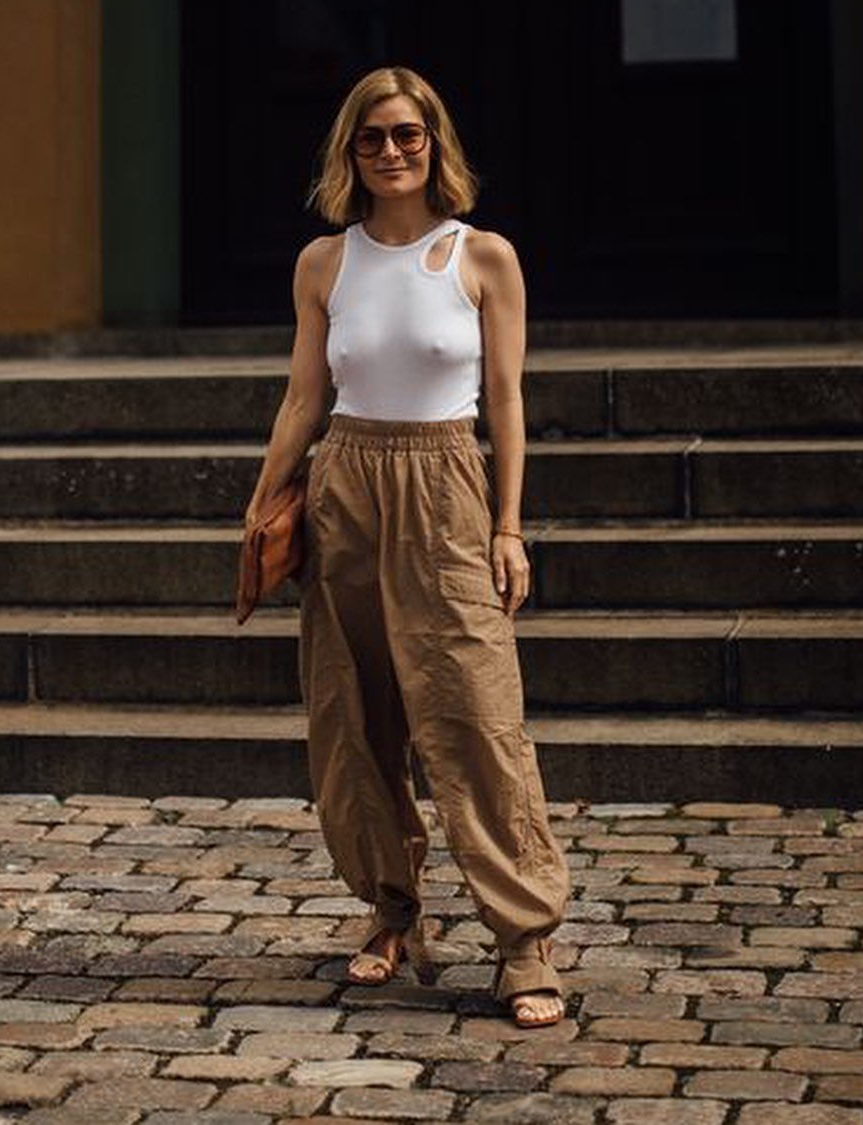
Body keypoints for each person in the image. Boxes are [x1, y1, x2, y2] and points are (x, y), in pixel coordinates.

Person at [244, 65, 572, 1028]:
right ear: (349, 151)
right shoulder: (323, 262)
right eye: (372, 137)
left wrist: (509, 526)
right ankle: (392, 910)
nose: (391, 151)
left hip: (445, 485)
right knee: (355, 715)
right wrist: (262, 504)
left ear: (435, 143)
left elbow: (505, 401)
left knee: (476, 714)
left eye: (407, 135)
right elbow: (304, 396)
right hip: (346, 483)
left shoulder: (484, 256)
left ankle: (524, 941)